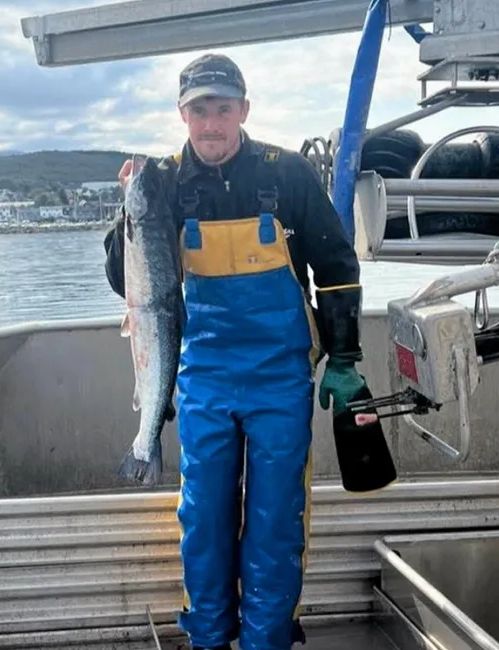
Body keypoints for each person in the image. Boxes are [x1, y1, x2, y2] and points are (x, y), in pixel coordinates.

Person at [103, 53, 366, 650]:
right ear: (183, 115)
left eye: (223, 109)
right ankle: (209, 639)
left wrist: (346, 357)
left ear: (244, 111)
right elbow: (126, 282)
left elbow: (337, 267)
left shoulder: (288, 172)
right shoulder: (162, 181)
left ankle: (267, 640)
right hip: (203, 377)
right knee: (205, 522)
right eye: (200, 111)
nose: (212, 123)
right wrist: (130, 209)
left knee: (275, 525)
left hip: (280, 379)